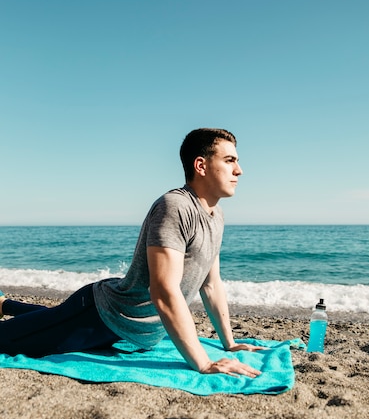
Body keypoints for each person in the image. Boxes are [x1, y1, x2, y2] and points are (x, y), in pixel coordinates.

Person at [0, 128, 263, 377]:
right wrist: (203, 363)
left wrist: (229, 344)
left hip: (134, 331)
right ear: (201, 166)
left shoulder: (216, 217)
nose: (239, 170)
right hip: (105, 316)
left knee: (51, 318)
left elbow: (211, 284)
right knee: (9, 339)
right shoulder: (175, 207)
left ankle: (5, 304)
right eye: (230, 161)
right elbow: (164, 291)